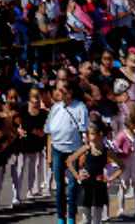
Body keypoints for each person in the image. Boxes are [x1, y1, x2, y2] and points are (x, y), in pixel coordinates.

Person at [45, 82, 88, 224]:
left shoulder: (80, 107)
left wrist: (82, 154)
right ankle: (60, 218)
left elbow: (85, 133)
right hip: (57, 150)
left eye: (62, 90)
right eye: (58, 90)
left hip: (73, 152)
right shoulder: (55, 108)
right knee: (59, 187)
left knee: (72, 187)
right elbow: (49, 133)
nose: (59, 93)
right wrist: (49, 155)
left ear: (70, 92)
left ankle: (71, 217)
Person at [67, 123, 119, 224]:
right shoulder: (86, 149)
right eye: (88, 134)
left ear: (100, 134)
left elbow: (121, 166)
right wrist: (77, 175)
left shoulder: (106, 151)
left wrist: (110, 178)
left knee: (97, 219)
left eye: (92, 134)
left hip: (99, 185)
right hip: (86, 185)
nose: (89, 136)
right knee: (86, 219)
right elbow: (69, 161)